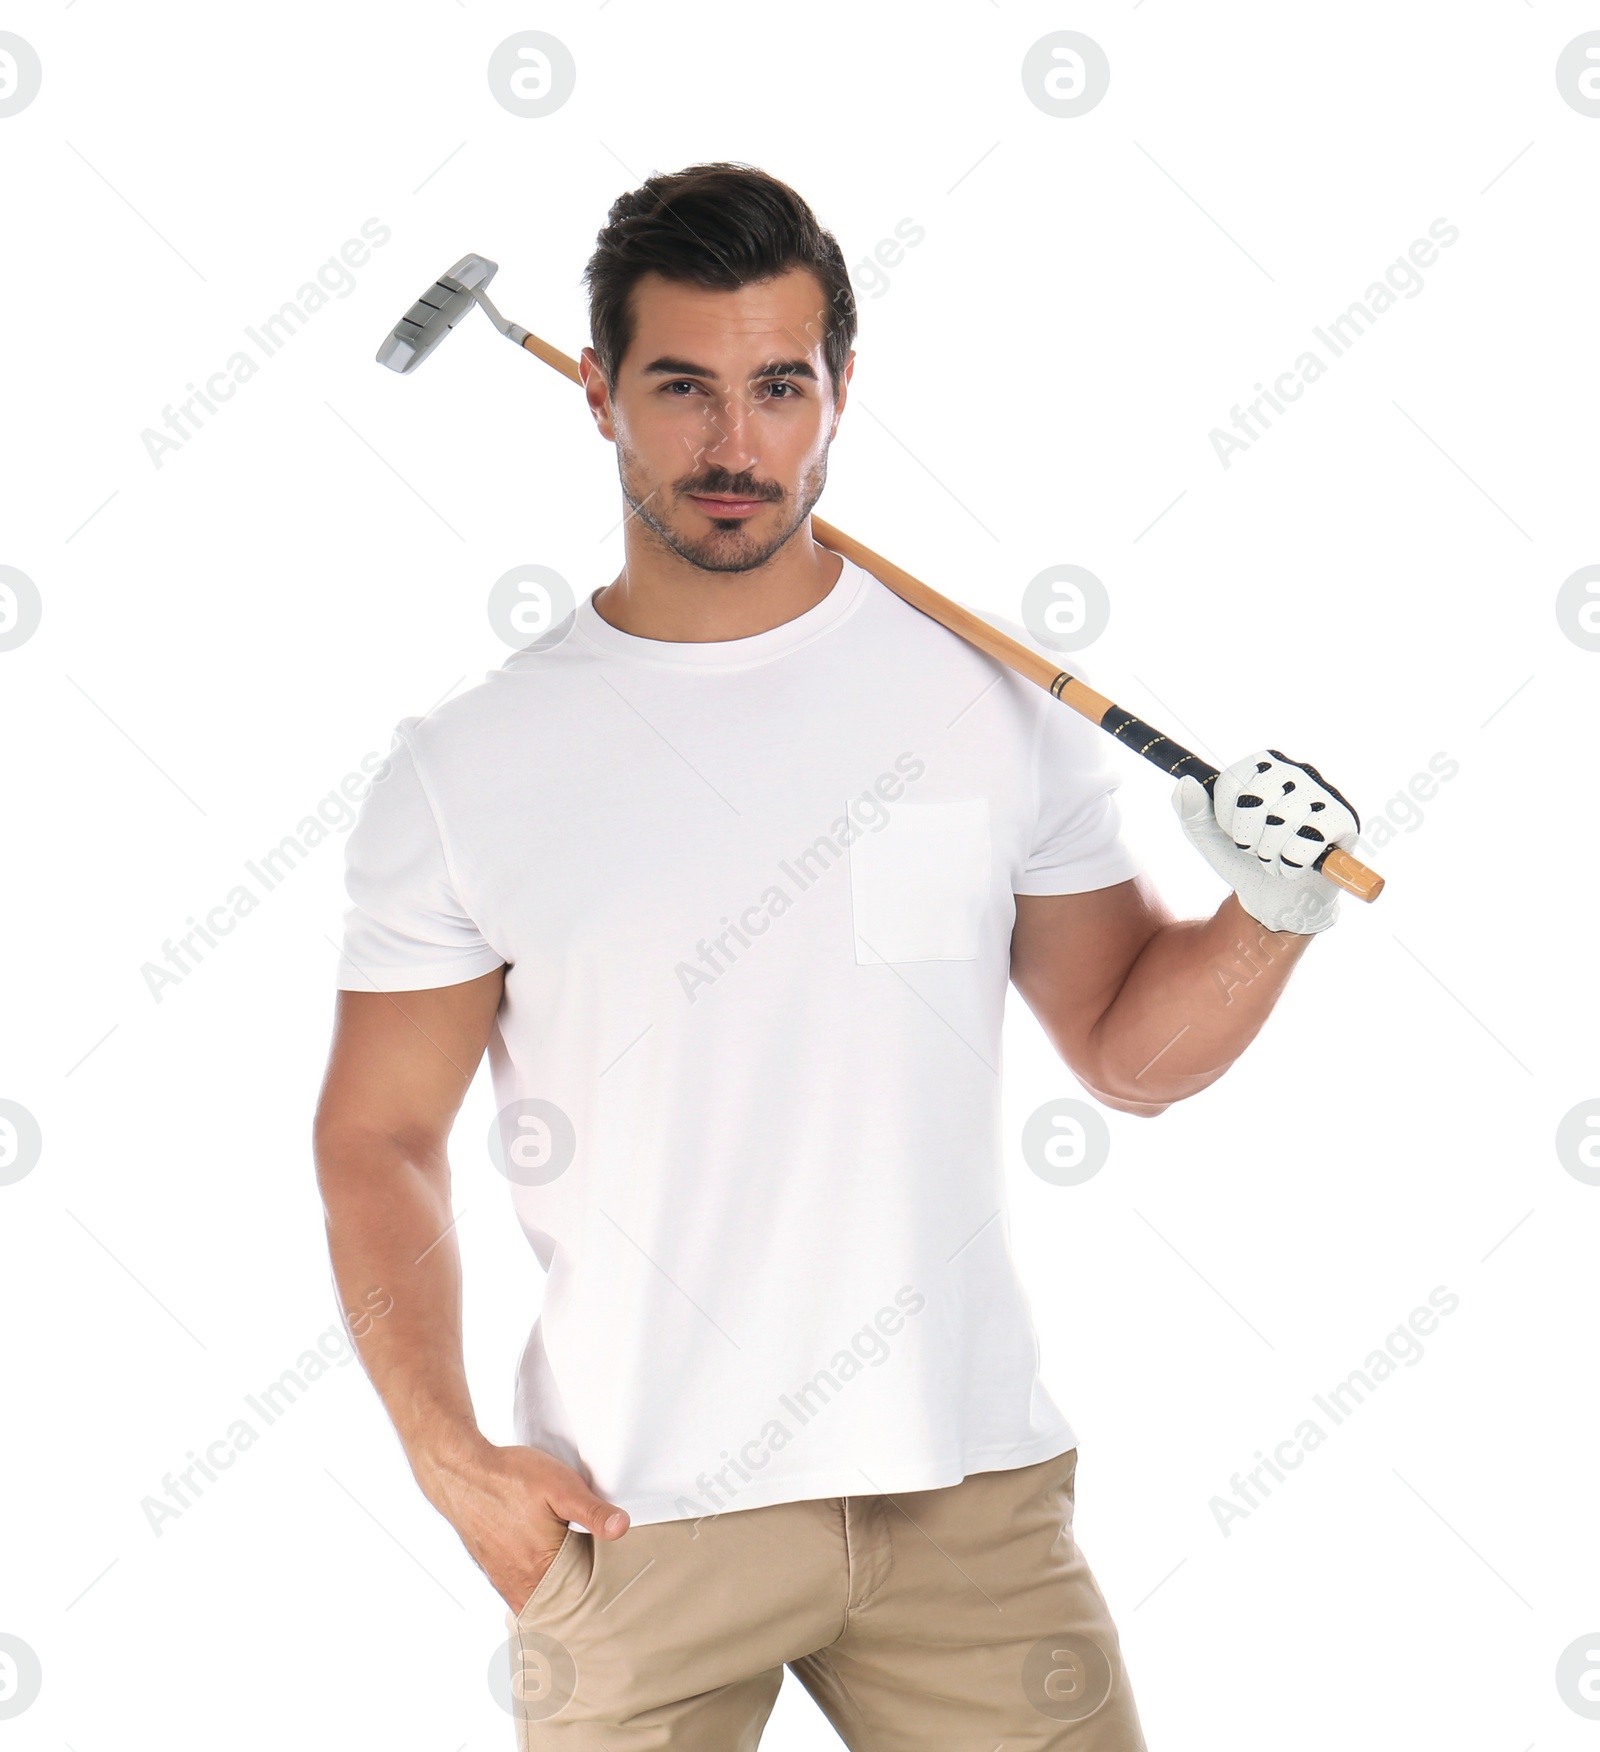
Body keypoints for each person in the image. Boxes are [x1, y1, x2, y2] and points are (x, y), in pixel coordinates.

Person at [313, 162, 1361, 1748]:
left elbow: (1129, 1062)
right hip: (635, 1520)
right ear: (594, 394)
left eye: (777, 387)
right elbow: (376, 1136)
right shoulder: (468, 767)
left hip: (969, 1506)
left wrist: (1269, 919)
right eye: (681, 388)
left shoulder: (995, 705)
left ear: (840, 393)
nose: (734, 446)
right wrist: (447, 1456)